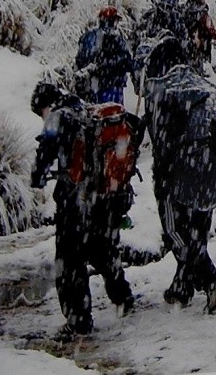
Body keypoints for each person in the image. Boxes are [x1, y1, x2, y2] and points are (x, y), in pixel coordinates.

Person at [30, 82, 138, 341]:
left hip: (76, 200)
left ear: (45, 106)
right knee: (102, 248)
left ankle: (79, 320)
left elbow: (45, 153)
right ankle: (122, 295)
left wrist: (37, 178)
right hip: (104, 196)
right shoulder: (87, 110)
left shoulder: (58, 117)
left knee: (70, 260)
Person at [142, 36, 216, 312]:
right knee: (197, 228)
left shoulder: (162, 90)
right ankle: (182, 286)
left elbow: (161, 142)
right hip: (214, 170)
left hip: (182, 170)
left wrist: (163, 178)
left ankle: (211, 280)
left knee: (176, 232)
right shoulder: (202, 84)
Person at [74, 5, 133, 104]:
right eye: (115, 21)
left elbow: (79, 60)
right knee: (113, 115)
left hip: (90, 87)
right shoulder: (116, 39)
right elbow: (126, 62)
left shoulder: (88, 36)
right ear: (112, 21)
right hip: (111, 87)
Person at [183, 0, 216, 73]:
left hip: (187, 48)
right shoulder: (202, 14)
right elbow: (210, 31)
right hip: (202, 49)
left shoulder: (185, 11)